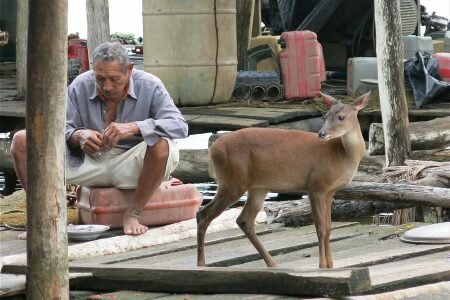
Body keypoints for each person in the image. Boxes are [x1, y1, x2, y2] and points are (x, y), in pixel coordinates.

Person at [11, 41, 189, 238]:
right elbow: (58, 128)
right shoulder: (80, 84)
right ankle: (42, 219)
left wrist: (135, 127)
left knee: (162, 144)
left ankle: (133, 213)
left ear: (129, 70)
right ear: (92, 70)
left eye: (114, 79)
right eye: (100, 79)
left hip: (130, 164)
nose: (107, 86)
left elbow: (180, 125)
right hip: (86, 162)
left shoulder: (151, 85)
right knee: (22, 141)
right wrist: (78, 136)